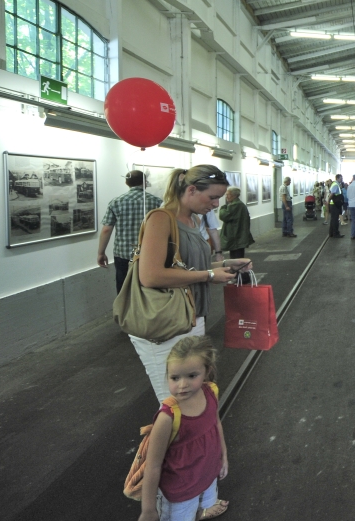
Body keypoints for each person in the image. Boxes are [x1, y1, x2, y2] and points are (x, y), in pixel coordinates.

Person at [135, 165, 251, 402]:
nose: (216, 204)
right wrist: (208, 275)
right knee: (175, 402)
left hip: (192, 317)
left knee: (193, 398)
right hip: (166, 323)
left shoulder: (192, 220)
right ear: (190, 190)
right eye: (212, 197)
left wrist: (226, 264)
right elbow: (150, 275)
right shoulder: (161, 219)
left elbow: (189, 267)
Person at [138, 336, 228, 521]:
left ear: (207, 371)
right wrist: (148, 510)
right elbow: (153, 466)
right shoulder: (168, 417)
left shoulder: (211, 392)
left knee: (202, 503)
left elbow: (216, 424)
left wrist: (223, 455)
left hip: (207, 474)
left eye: (192, 376)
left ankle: (201, 510)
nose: (182, 385)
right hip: (181, 492)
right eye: (175, 378)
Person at [98, 170, 163, 294]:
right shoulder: (156, 202)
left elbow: (106, 229)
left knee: (124, 290)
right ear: (144, 183)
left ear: (126, 182)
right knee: (148, 291)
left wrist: (101, 253)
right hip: (150, 254)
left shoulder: (116, 202)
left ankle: (125, 313)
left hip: (123, 254)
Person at [218, 187, 254, 259]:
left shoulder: (235, 205)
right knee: (237, 256)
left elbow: (223, 216)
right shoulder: (239, 205)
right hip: (238, 237)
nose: (226, 196)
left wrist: (223, 208)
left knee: (236, 258)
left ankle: (237, 270)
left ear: (234, 195)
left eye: (228, 194)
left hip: (236, 237)